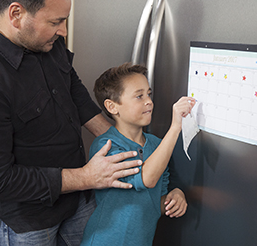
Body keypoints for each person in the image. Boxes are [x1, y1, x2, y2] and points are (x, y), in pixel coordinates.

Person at [0, 0, 144, 246]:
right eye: (55, 22)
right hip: (27, 220)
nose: (64, 32)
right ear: (16, 14)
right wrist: (86, 177)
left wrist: (117, 138)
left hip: (77, 199)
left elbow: (71, 86)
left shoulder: (40, 38)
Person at [80, 63, 196, 246]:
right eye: (139, 96)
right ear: (112, 107)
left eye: (148, 94)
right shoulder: (106, 147)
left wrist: (174, 196)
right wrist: (175, 127)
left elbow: (153, 200)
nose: (148, 101)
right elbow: (146, 178)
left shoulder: (158, 145)